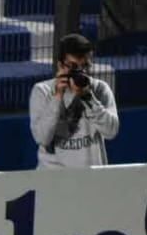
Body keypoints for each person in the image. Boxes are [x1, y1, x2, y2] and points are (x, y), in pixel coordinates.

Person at [29, 33, 120, 168]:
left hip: (90, 174)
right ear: (60, 65)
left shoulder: (99, 89)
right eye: (73, 66)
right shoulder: (42, 91)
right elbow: (42, 138)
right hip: (53, 176)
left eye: (84, 66)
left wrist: (88, 97)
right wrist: (57, 97)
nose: (80, 72)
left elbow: (111, 131)